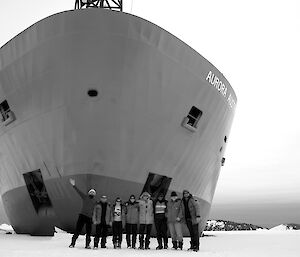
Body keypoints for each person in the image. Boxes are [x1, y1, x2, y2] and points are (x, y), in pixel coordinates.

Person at [69, 178, 96, 249]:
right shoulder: (85, 197)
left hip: (89, 218)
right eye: (91, 192)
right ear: (88, 193)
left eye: (93, 193)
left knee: (89, 232)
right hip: (82, 216)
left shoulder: (95, 202)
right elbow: (78, 192)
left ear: (94, 194)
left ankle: (87, 245)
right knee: (78, 230)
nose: (92, 193)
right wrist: (74, 185)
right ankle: (72, 243)